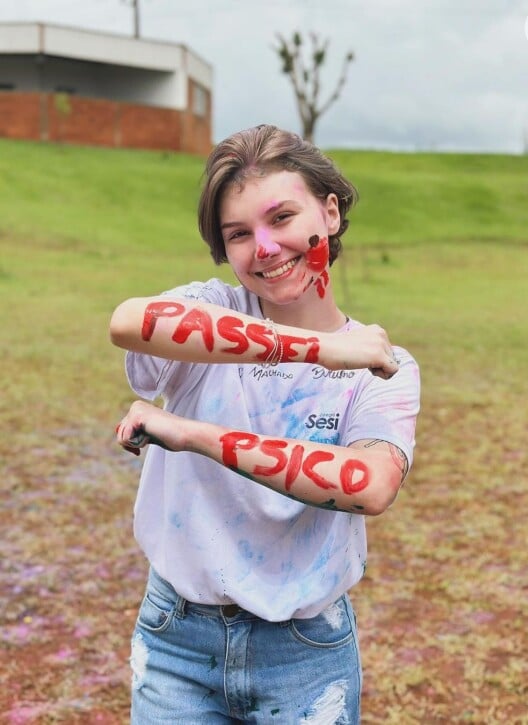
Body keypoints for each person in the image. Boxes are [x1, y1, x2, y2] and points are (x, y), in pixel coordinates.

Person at [110, 124, 420, 724]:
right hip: (177, 636)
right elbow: (128, 321)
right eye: (239, 235)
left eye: (281, 217)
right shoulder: (217, 310)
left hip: (308, 653)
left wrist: (192, 435)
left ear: (329, 213)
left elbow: (368, 484)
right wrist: (317, 348)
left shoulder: (385, 366)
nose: (265, 247)